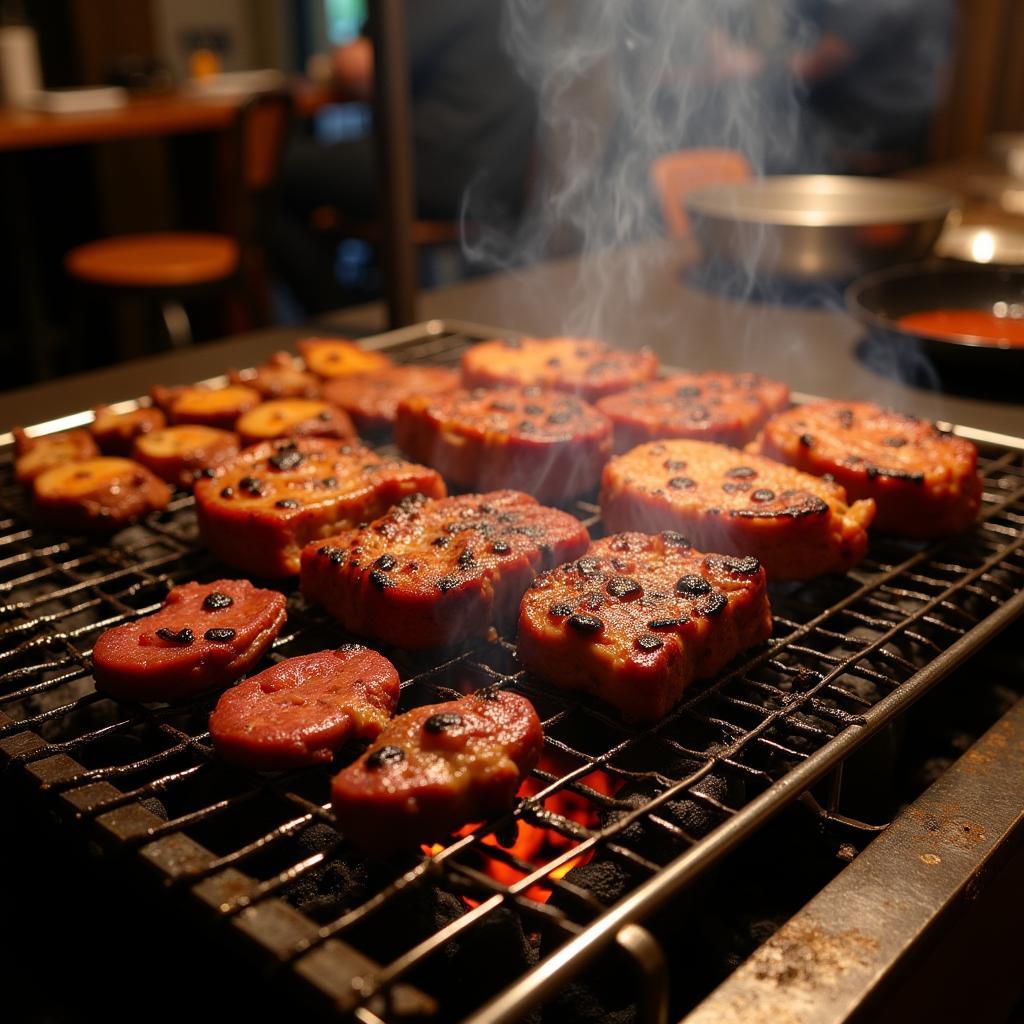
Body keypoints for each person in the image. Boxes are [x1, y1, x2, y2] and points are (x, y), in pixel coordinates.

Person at [271, 0, 537, 314]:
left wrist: (335, 62)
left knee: (274, 174)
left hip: (441, 167)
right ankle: (355, 305)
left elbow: (359, 65)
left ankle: (343, 314)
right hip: (501, 174)